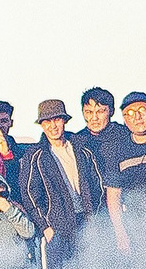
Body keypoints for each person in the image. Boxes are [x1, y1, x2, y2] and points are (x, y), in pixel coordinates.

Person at [21, 99, 110, 246]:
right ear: (41, 125)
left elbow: (99, 185)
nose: (52, 126)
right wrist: (46, 227)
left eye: (56, 119)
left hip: (88, 222)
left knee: (95, 266)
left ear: (64, 121)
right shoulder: (35, 156)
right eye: (47, 122)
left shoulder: (83, 148)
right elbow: (30, 195)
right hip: (58, 228)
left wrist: (98, 218)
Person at [97, 91, 146, 256]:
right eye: (129, 113)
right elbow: (113, 195)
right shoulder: (119, 151)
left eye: (142, 110)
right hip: (138, 226)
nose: (137, 116)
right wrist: (120, 232)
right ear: (124, 120)